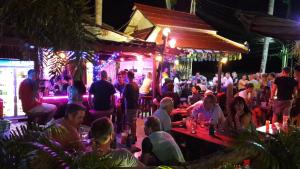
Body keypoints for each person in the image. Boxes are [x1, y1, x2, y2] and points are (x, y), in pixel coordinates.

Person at [123, 71, 139, 142]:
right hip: (135, 105)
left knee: (129, 122)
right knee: (134, 121)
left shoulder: (128, 85)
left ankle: (129, 138)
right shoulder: (136, 84)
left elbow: (124, 96)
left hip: (129, 105)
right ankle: (134, 136)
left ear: (128, 76)